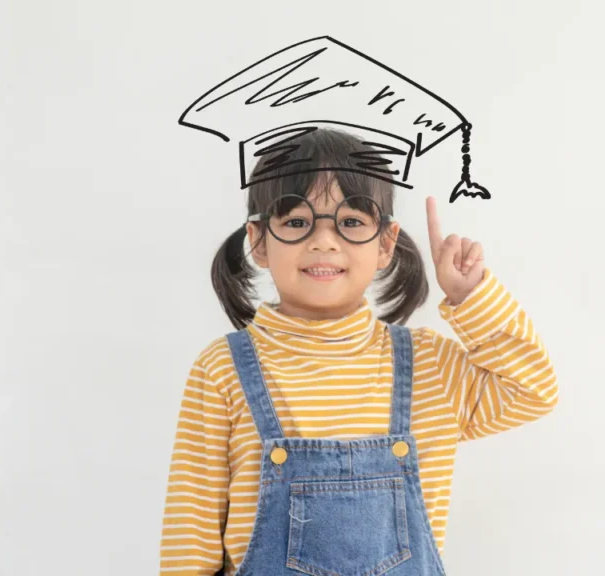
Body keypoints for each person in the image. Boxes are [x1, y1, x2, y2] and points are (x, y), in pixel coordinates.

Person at [160, 128, 558, 575]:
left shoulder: (431, 366)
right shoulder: (222, 368)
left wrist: (472, 299)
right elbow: (190, 536)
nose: (324, 241)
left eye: (351, 222)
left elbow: (533, 391)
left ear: (386, 243)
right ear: (258, 241)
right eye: (296, 221)